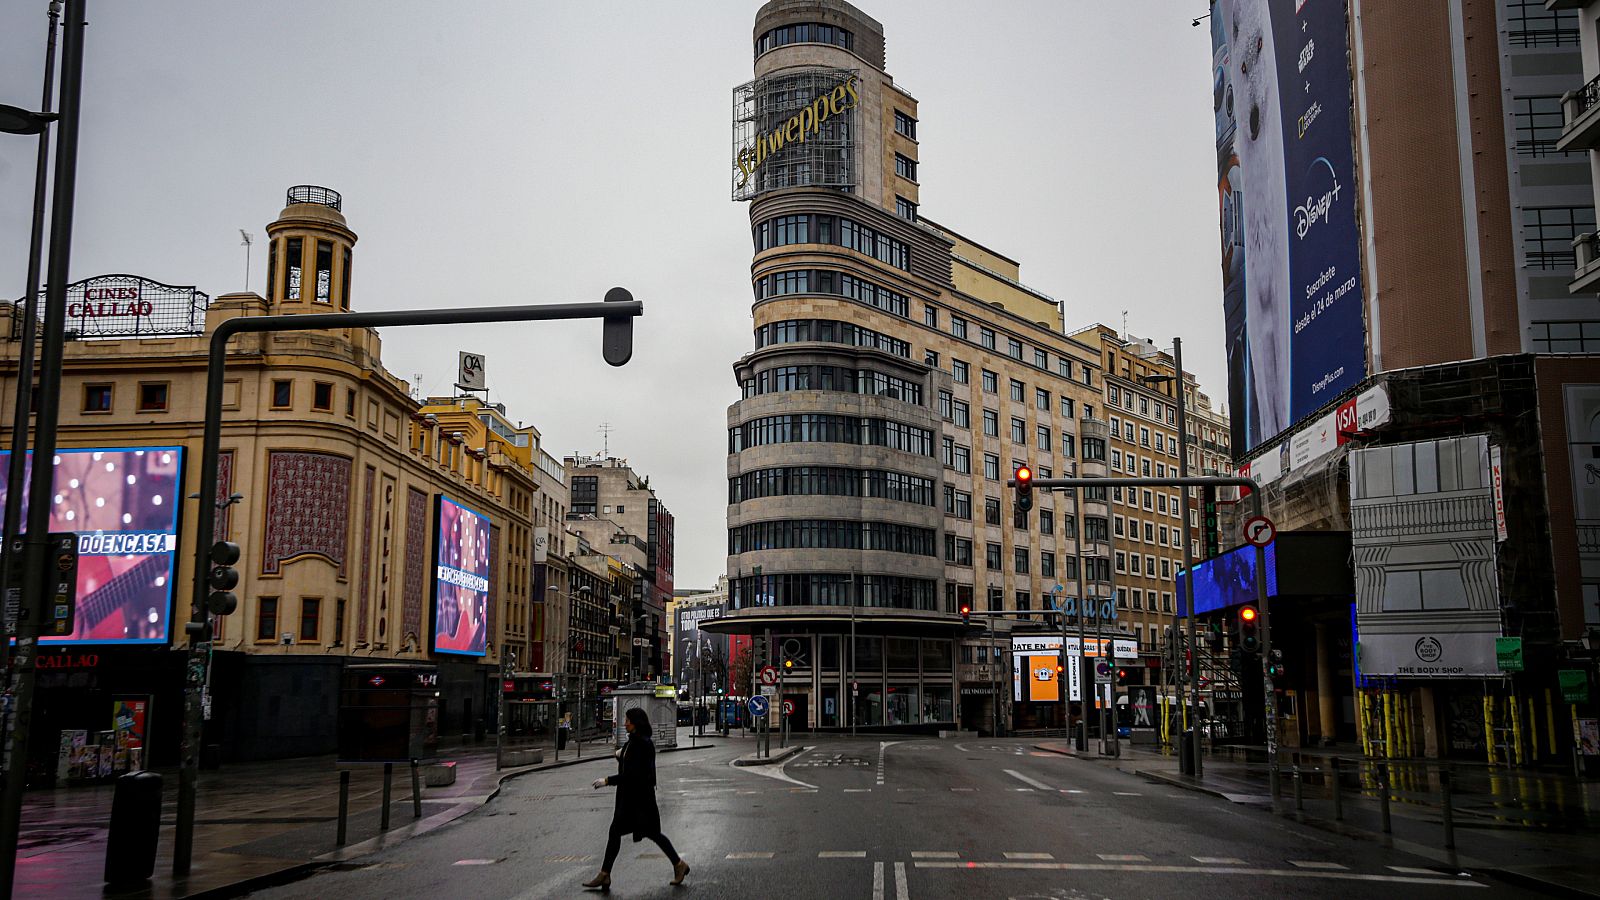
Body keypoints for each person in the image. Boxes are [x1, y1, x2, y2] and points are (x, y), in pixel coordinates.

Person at [583, 707, 689, 889]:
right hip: (633, 799)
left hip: (639, 801)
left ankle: (679, 864)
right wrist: (621, 756)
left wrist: (607, 780)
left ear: (635, 723)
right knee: (620, 832)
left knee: (650, 833)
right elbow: (631, 763)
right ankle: (605, 874)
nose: (625, 723)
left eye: (627, 720)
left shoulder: (641, 743)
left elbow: (633, 775)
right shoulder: (634, 741)